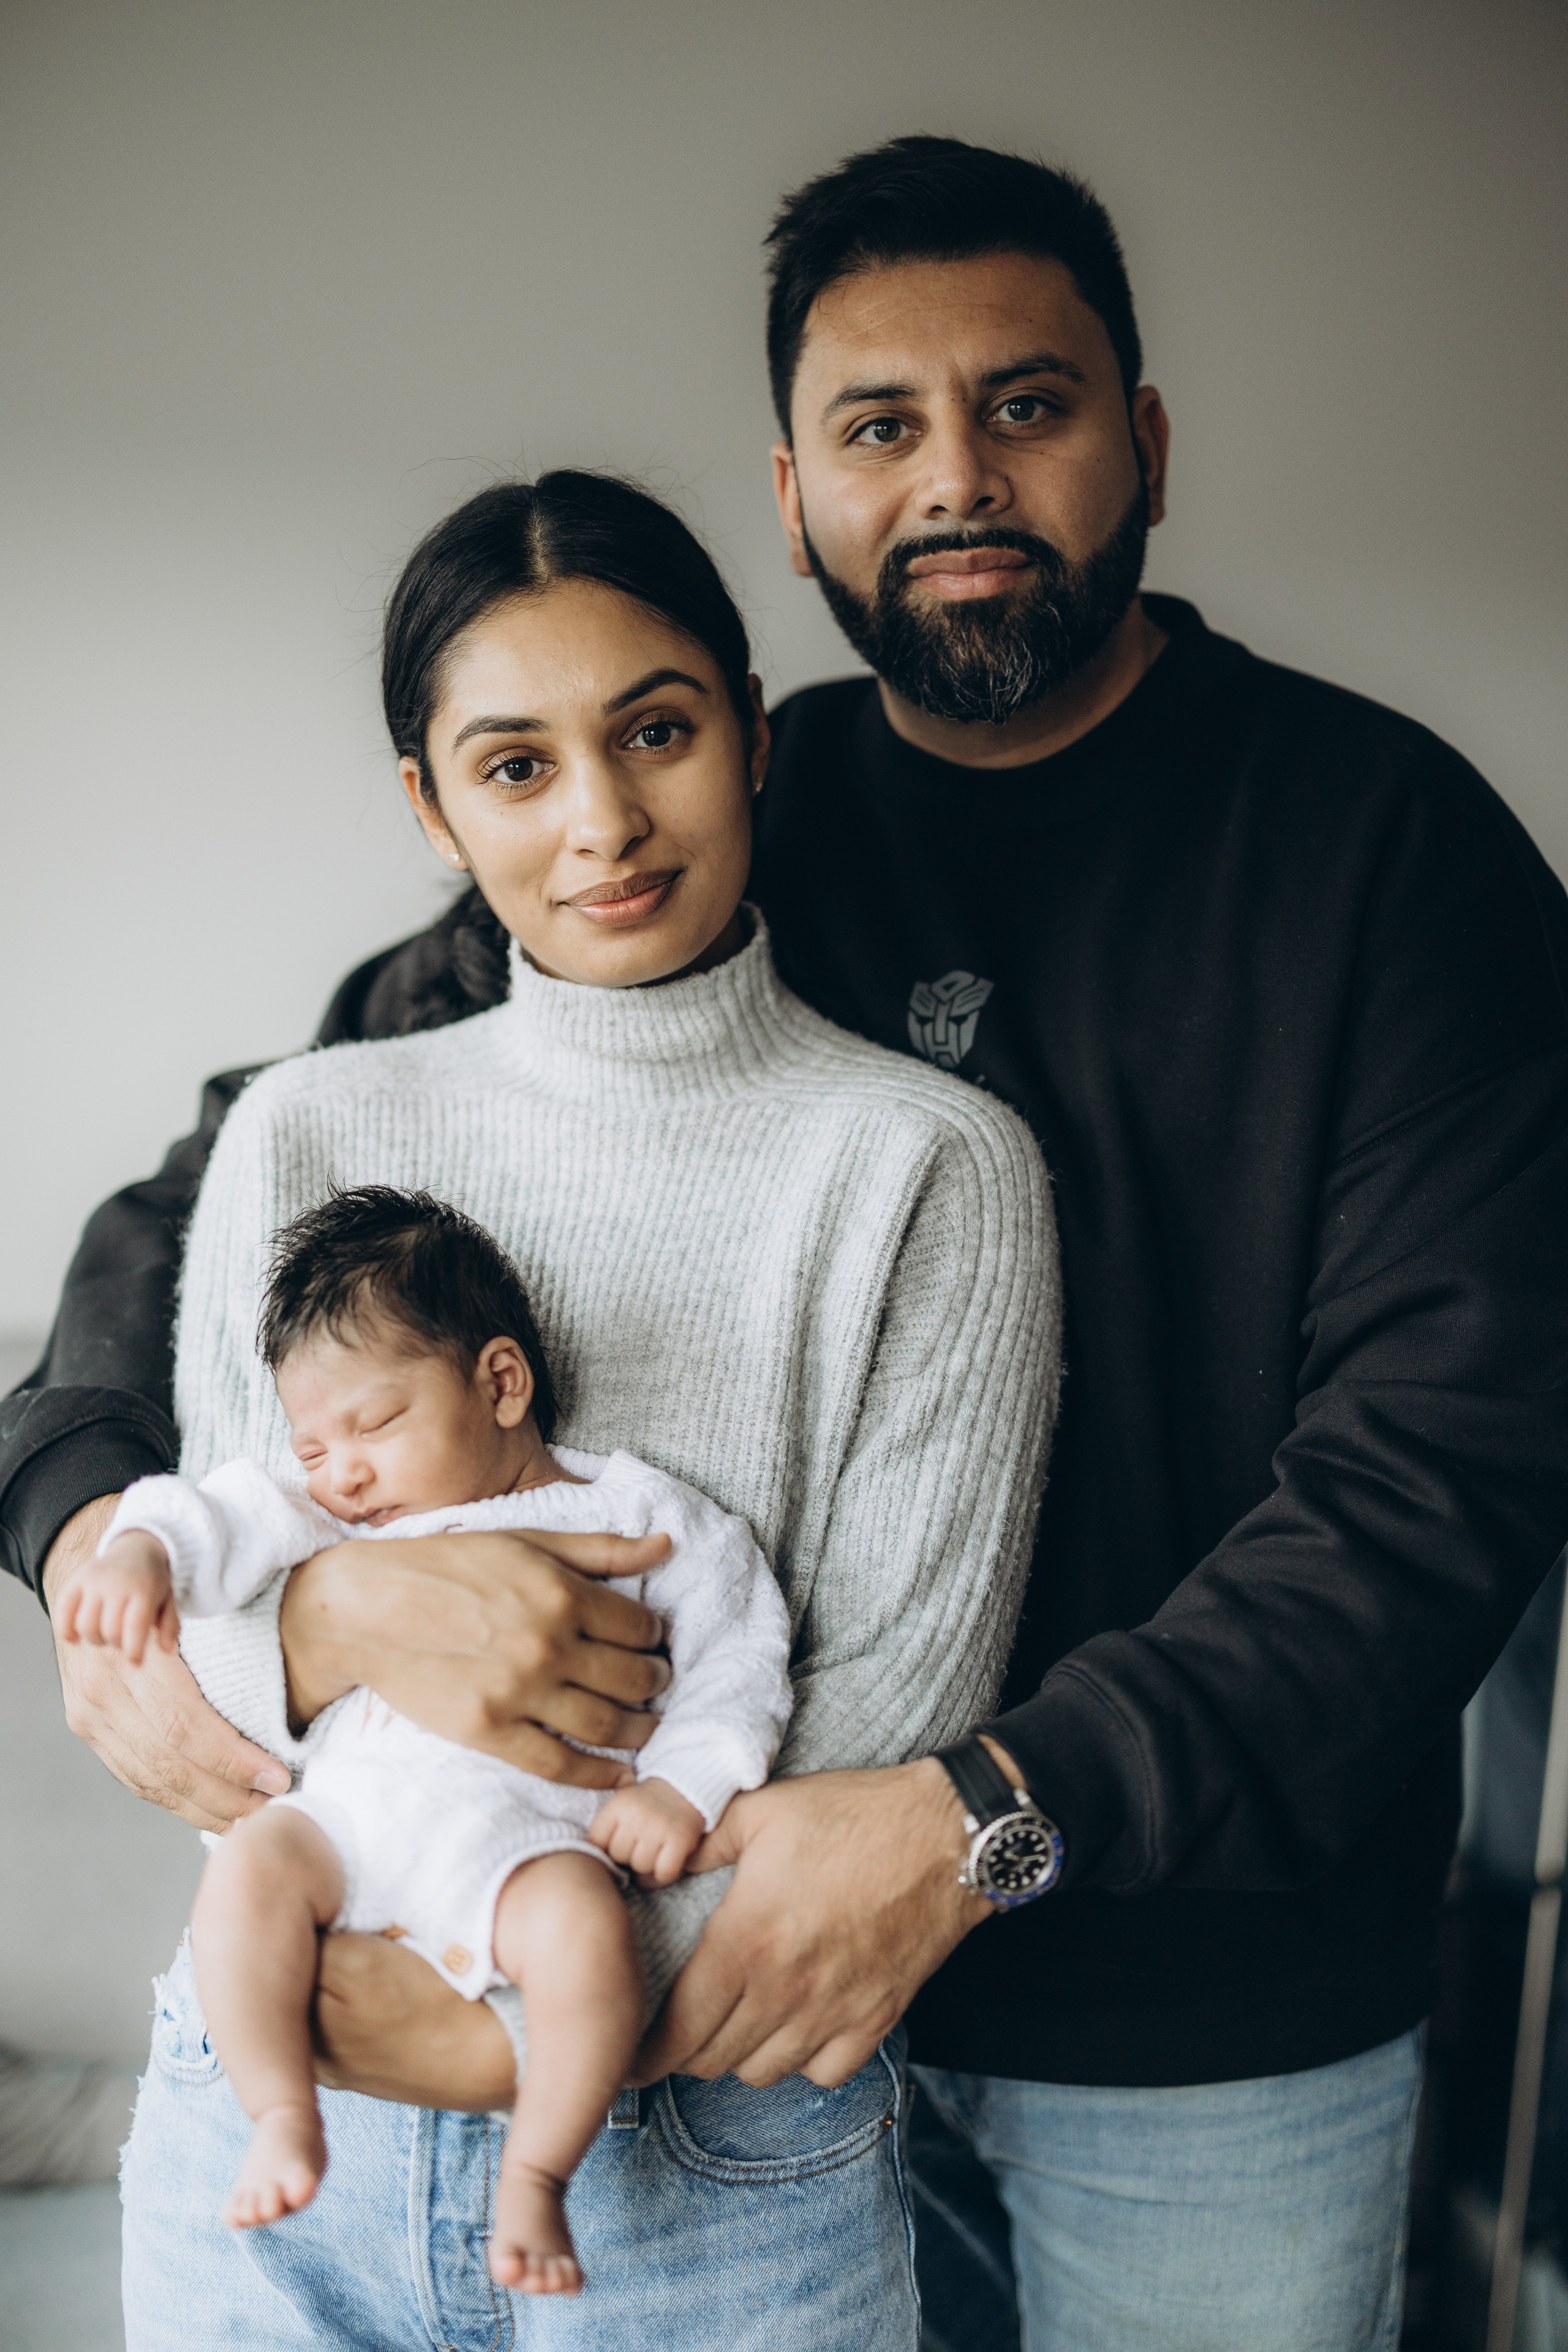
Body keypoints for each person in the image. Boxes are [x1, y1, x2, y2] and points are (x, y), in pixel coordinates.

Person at [6, 132, 1567, 2350]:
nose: (957, 477)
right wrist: (88, 1516)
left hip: (1191, 2005)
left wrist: (991, 1813)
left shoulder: (1387, 852)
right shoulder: (706, 800)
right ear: (797, 494)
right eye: (878, 426)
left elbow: (1440, 1476)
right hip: (700, 1987)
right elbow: (246, 1177)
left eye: (1026, 404)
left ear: (1144, 439)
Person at [49, 464, 1057, 2351]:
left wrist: (523, 2019)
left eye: (656, 732)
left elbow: (881, 1717)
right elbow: (220, 1630)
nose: (603, 821)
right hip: (278, 2110)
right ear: (433, 809)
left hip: (713, 2133)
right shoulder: (307, 1128)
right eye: (515, 767)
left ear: (753, 735)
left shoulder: (930, 1164)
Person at [57, 1183, 794, 2291]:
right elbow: (216, 1508)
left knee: (590, 1940)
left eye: (375, 1425)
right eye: (313, 1446)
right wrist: (137, 1553)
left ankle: (536, 2176)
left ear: (501, 1383)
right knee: (246, 1875)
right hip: (347, 1825)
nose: (342, 1472)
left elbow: (743, 1656)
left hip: (529, 1844)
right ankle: (279, 2115)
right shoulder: (328, 1516)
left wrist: (684, 1788)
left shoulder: (638, 1516)